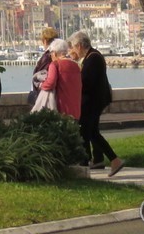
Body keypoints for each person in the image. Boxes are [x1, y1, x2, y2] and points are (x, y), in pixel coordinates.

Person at [68, 30, 124, 177]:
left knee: (87, 132)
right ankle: (105, 160)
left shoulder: (92, 59)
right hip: (95, 101)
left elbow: (86, 82)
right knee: (91, 132)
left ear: (79, 46)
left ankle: (106, 161)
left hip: (92, 102)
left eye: (73, 47)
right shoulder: (93, 56)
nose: (73, 50)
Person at [39, 38, 81, 119]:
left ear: (54, 53)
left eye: (51, 53)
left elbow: (50, 83)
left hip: (62, 108)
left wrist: (41, 85)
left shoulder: (55, 65)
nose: (51, 56)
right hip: (76, 109)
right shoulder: (76, 65)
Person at [29, 27, 59, 105]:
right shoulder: (58, 54)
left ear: (44, 41)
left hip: (45, 95)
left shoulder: (48, 56)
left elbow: (42, 75)